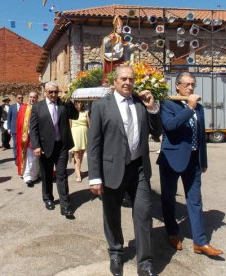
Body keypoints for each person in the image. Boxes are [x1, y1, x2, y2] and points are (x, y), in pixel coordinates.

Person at [87, 65, 159, 276]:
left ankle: (145, 262)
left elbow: (157, 132)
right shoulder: (101, 106)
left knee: (144, 214)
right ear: (115, 81)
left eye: (131, 79)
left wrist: (153, 108)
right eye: (124, 79)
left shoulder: (141, 103)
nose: (128, 82)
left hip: (139, 169)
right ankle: (116, 253)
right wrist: (95, 177)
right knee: (111, 215)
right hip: (111, 169)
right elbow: (94, 144)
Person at [157, 72, 223, 257]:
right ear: (177, 86)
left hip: (193, 161)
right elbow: (170, 126)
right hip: (171, 160)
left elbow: (201, 137)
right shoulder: (168, 104)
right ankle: (172, 232)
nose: (190, 88)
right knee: (169, 198)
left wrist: (203, 160)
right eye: (186, 84)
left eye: (193, 84)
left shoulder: (199, 108)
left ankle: (200, 242)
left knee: (195, 201)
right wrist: (189, 108)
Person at [30, 81, 79, 218]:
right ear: (45, 92)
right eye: (50, 92)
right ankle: (48, 198)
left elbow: (75, 115)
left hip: (61, 146)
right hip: (45, 147)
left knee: (62, 175)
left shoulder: (63, 104)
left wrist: (69, 100)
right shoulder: (37, 107)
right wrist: (36, 145)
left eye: (55, 92)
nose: (53, 95)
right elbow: (33, 129)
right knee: (46, 175)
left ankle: (65, 206)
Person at [16, 91, 39, 187]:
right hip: (27, 137)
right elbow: (20, 123)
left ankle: (35, 175)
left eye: (34, 97)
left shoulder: (39, 107)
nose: (32, 99)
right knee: (28, 157)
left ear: (37, 98)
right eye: (30, 97)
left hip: (37, 137)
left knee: (36, 158)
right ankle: (27, 176)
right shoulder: (23, 108)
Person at [70, 101, 90, 182]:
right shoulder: (71, 113)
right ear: (75, 103)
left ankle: (78, 169)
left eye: (81, 103)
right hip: (75, 135)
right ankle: (78, 174)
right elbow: (69, 125)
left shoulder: (86, 112)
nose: (80, 104)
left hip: (84, 135)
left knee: (81, 155)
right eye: (78, 103)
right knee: (77, 155)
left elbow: (89, 124)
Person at [6, 96, 19, 163]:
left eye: (21, 98)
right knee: (15, 143)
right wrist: (9, 128)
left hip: (22, 129)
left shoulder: (24, 106)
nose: (20, 99)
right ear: (16, 99)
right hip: (14, 128)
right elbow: (9, 118)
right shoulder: (12, 107)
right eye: (19, 98)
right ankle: (16, 158)